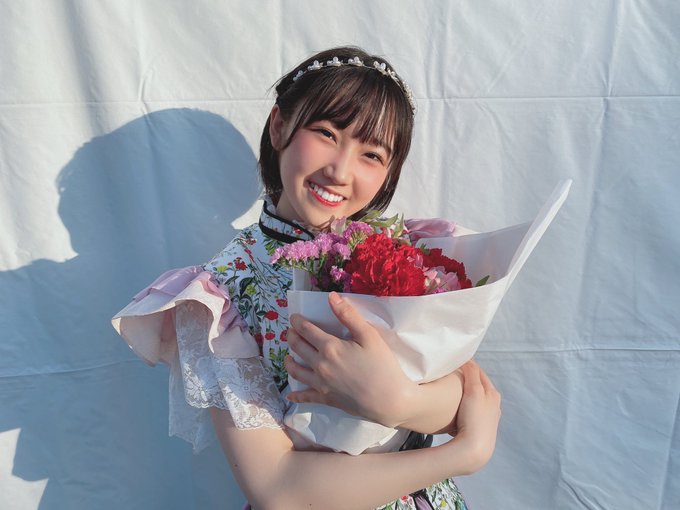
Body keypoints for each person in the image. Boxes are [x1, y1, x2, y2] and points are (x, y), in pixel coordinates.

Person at [113, 46, 501, 510]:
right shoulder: (220, 295)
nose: (340, 170)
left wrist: (395, 401)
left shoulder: (402, 250)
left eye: (371, 153)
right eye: (327, 133)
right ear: (279, 126)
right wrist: (462, 454)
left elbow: (472, 398)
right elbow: (277, 490)